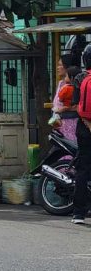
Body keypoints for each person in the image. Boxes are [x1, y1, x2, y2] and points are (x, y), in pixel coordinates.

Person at [71, 48, 91, 224]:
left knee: (83, 169)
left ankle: (79, 213)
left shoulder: (80, 78)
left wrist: (86, 121)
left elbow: (77, 105)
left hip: (84, 128)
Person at [53, 65, 80, 142]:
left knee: (67, 139)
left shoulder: (66, 88)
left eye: (66, 76)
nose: (65, 78)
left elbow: (60, 98)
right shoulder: (80, 88)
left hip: (66, 119)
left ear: (71, 78)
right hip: (77, 119)